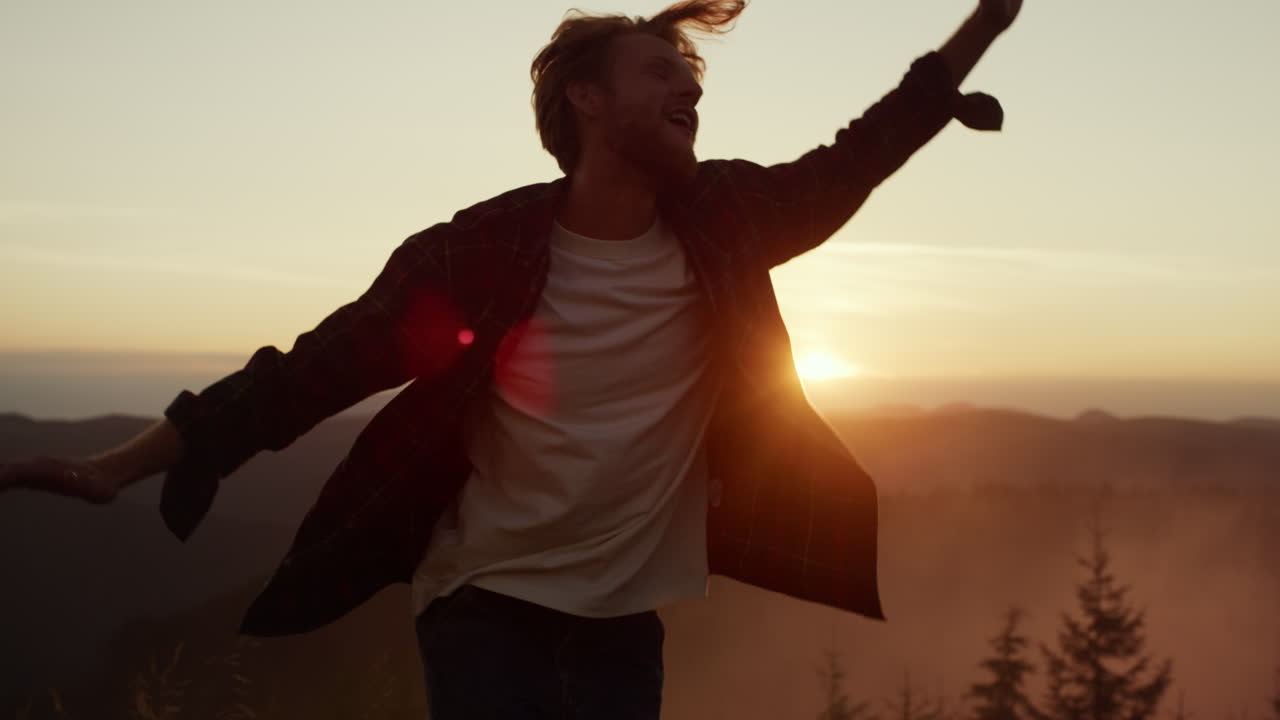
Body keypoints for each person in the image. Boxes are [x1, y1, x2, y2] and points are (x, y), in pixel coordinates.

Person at [0, 0, 1022, 717]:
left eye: (692, 77)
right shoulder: (474, 251)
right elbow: (312, 372)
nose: (688, 92)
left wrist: (984, 23)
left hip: (626, 626)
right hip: (484, 608)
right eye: (660, 71)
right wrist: (117, 467)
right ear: (583, 100)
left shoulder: (724, 220)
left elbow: (856, 156)